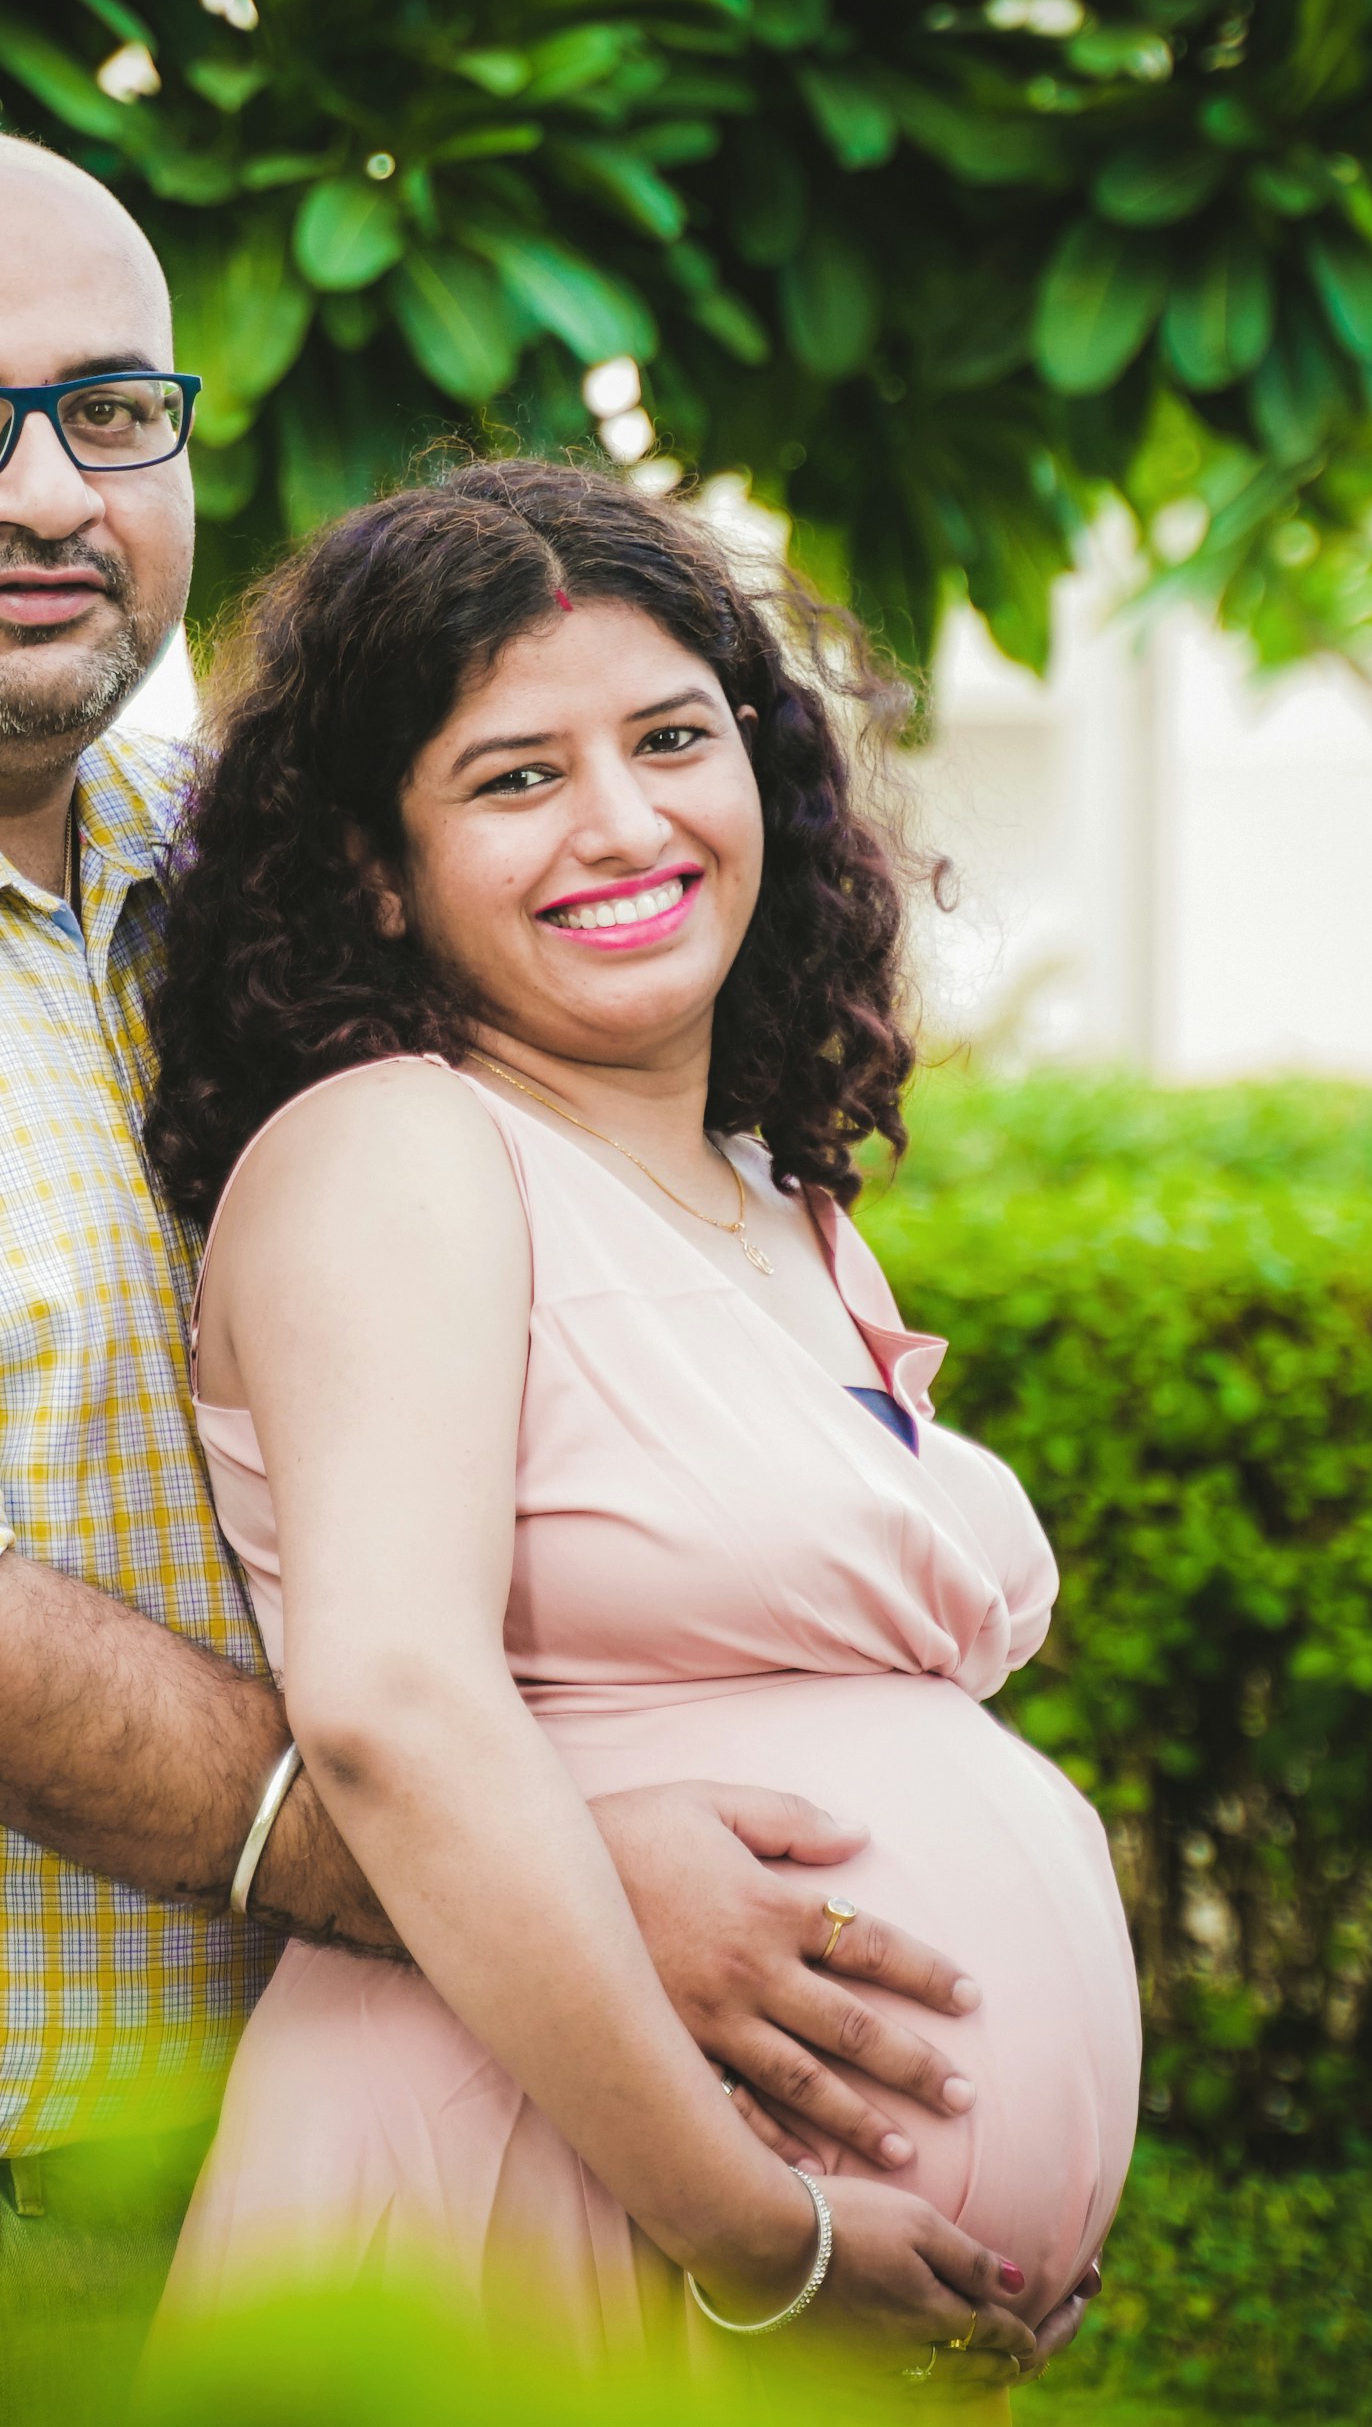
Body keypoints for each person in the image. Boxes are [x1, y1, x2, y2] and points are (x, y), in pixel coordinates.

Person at [0, 125, 1064, 2420]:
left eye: (112, 412)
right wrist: (530, 1890)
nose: (48, 490)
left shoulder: (180, 828)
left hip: (207, 2127)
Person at [141, 460, 1144, 2390]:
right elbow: (391, 1704)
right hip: (548, 2201)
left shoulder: (770, 1197)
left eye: (675, 738)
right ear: (376, 866)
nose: (626, 822)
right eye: (516, 777)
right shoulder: (402, 1147)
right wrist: (758, 2226)